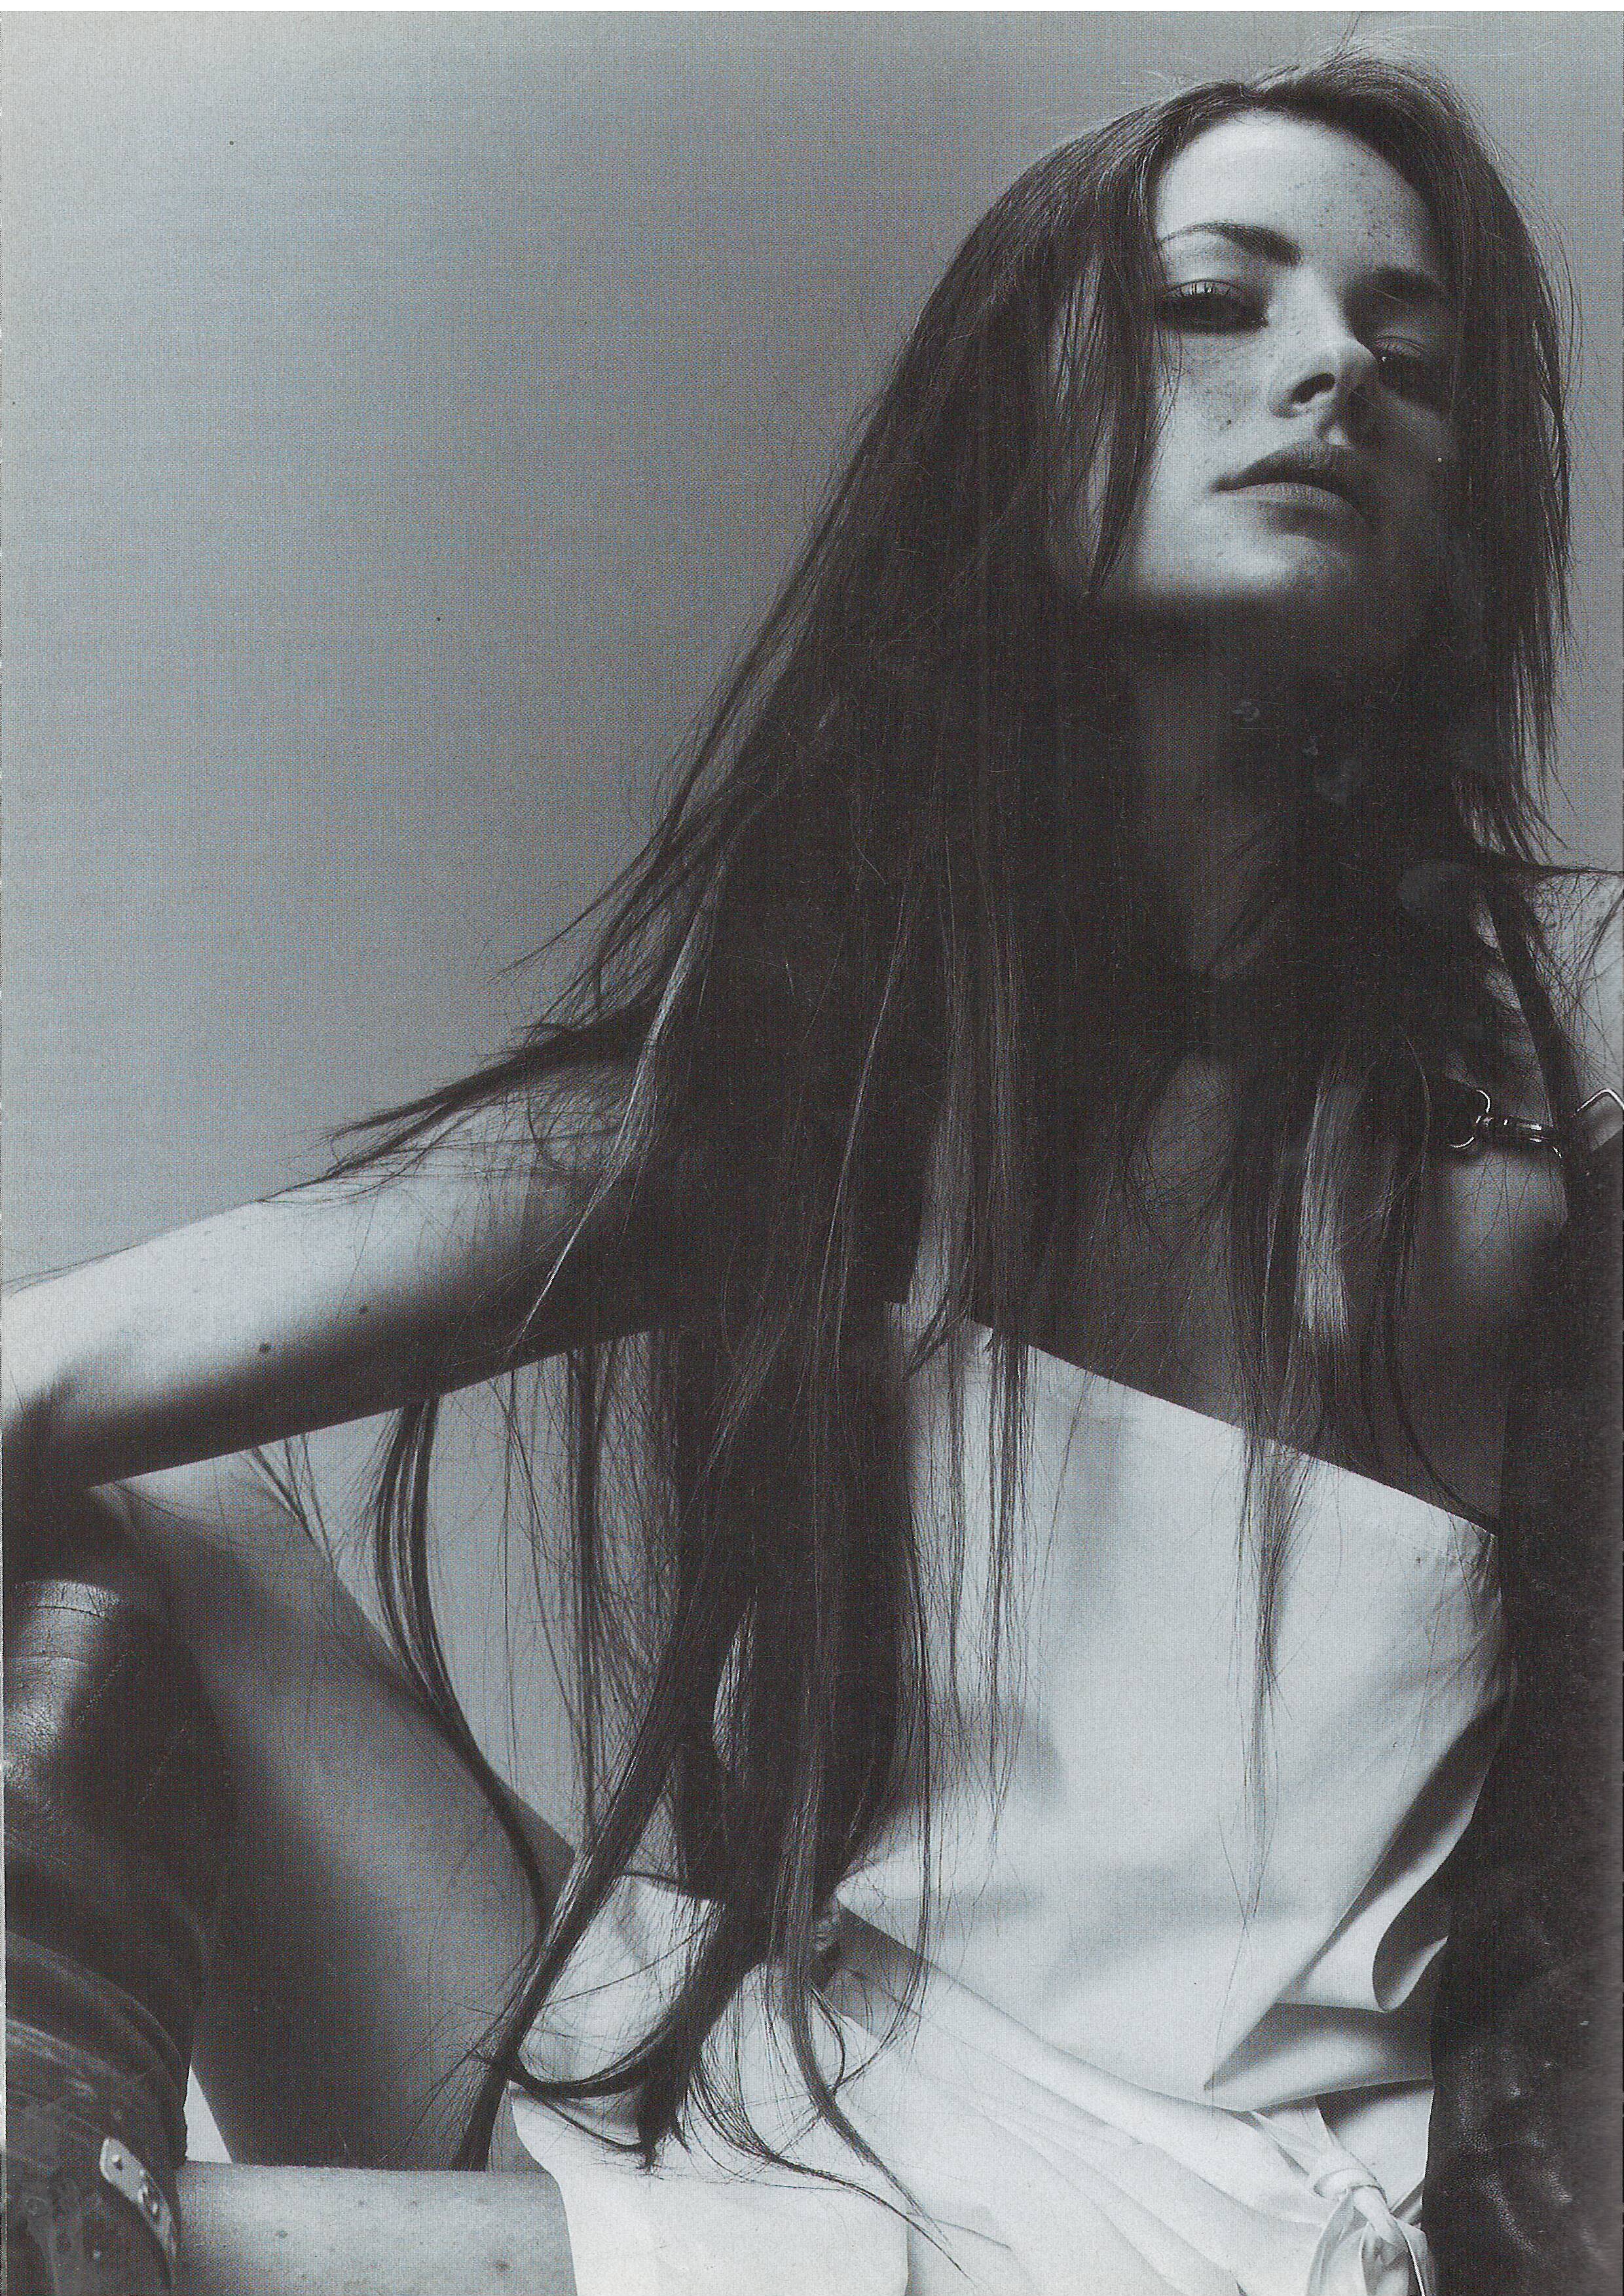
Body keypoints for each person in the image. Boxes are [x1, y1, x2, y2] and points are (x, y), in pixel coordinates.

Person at [4, 53, 1619, 2296]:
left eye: (1411, 358)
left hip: (1165, 2217)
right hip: (797, 2079)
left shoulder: (1550, 1065)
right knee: (156, 1503)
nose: (1334, 366)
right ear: (1024, 422)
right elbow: (73, 1366)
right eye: (1212, 302)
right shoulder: (848, 1079)